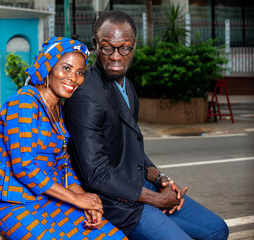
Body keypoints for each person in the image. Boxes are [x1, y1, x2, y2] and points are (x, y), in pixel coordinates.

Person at [63, 11, 229, 240]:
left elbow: (133, 148)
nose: (116, 56)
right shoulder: (86, 96)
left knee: (217, 230)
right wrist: (158, 200)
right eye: (107, 47)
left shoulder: (127, 87)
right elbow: (96, 175)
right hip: (119, 205)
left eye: (125, 48)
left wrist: (161, 179)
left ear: (134, 46)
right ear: (94, 44)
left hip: (141, 186)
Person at [0, 36, 127, 240]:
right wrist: (76, 199)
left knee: (114, 237)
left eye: (80, 72)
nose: (73, 78)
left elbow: (63, 165)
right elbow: (24, 167)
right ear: (48, 66)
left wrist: (86, 200)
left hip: (49, 197)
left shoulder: (58, 109)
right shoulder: (24, 103)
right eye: (66, 68)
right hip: (13, 203)